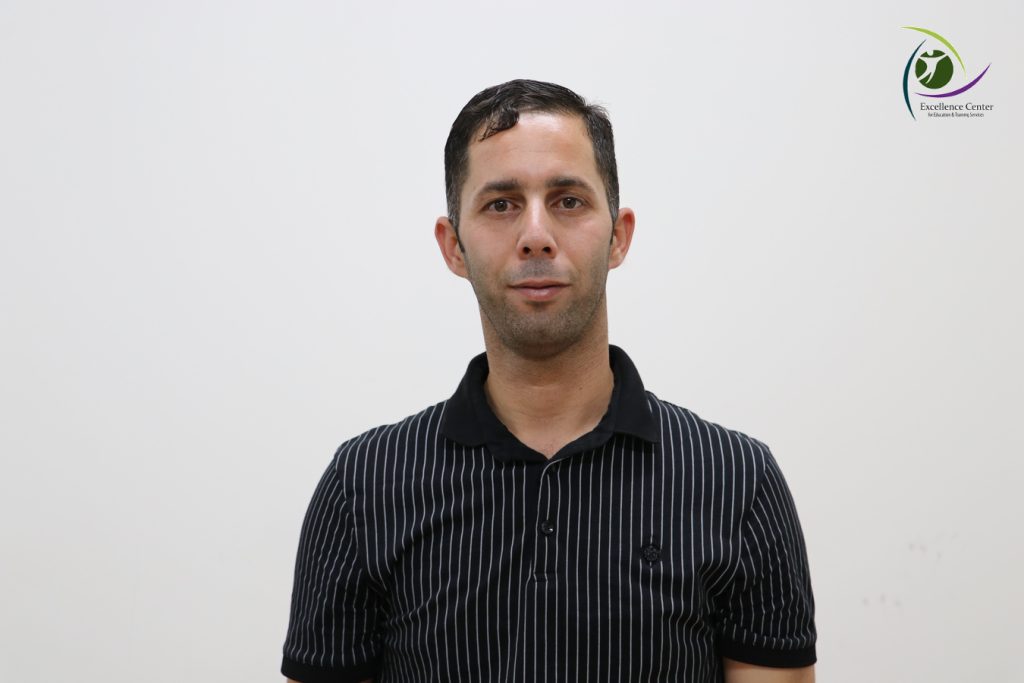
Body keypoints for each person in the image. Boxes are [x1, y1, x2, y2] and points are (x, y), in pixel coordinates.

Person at [281, 79, 817, 683]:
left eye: (568, 201)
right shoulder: (363, 486)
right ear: (453, 245)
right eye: (501, 204)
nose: (536, 235)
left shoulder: (738, 482)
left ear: (618, 236)